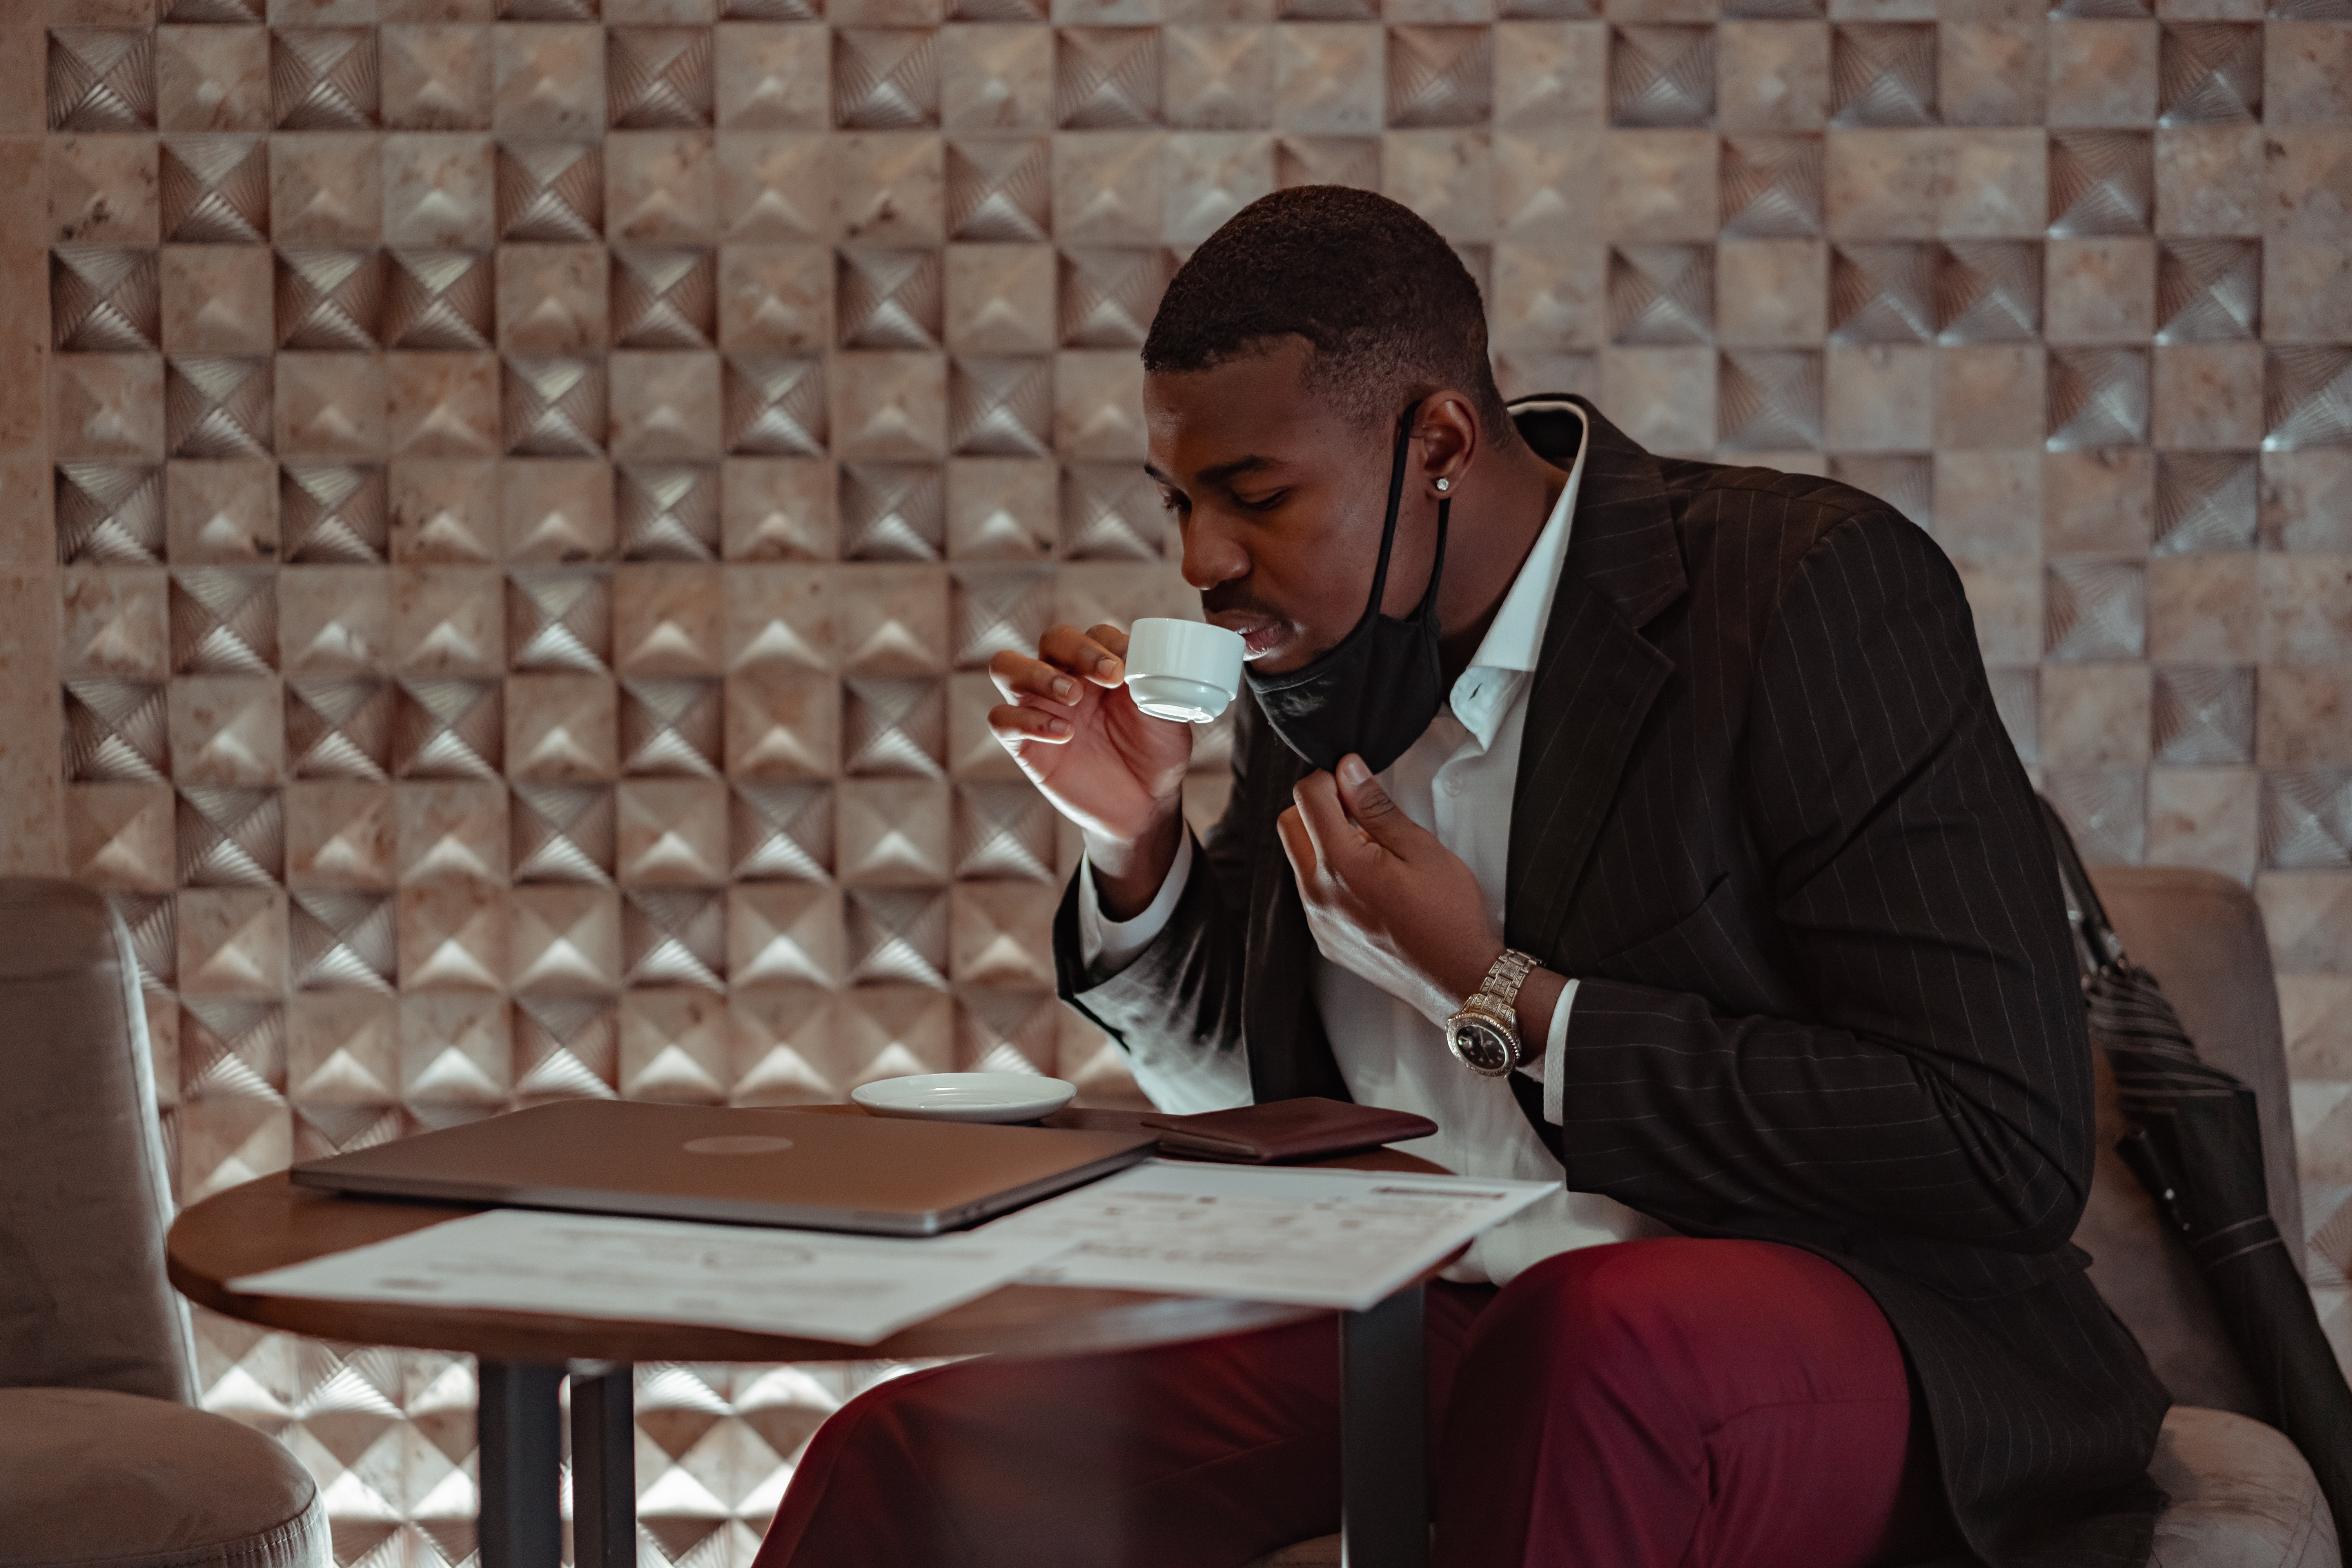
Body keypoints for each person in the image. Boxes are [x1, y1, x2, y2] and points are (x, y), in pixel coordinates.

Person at [751, 187, 2169, 1568]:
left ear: (1438, 441)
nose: (1202, 560)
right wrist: (1135, 843)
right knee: (911, 1463)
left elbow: (2000, 1144)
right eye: (1179, 500)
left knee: (1589, 1351)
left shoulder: (1807, 592)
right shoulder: (1315, 665)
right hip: (1425, 1317)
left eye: (1256, 495)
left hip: (1831, 1318)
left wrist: (1502, 992)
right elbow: (1252, 1105)